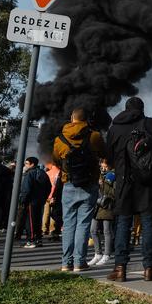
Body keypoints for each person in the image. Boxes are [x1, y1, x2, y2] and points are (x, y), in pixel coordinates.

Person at [105, 97, 152, 282]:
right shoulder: (151, 123)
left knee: (123, 224)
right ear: (142, 109)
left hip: (124, 182)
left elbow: (108, 156)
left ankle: (120, 268)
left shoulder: (115, 128)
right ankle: (149, 268)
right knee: (148, 224)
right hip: (148, 182)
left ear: (125, 109)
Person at [52, 108, 106, 272]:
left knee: (68, 224)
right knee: (83, 224)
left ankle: (65, 263)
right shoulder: (94, 135)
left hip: (68, 183)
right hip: (89, 184)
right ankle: (79, 262)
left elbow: (55, 159)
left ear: (72, 118)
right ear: (86, 119)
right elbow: (104, 153)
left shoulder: (59, 139)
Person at [19, 157, 51, 248]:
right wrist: (44, 198)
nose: (25, 165)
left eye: (26, 163)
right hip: (40, 201)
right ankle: (38, 239)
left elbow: (26, 189)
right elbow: (49, 187)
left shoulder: (29, 174)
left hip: (31, 200)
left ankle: (31, 240)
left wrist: (23, 200)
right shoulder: (43, 173)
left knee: (30, 222)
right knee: (38, 220)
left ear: (32, 164)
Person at [88, 163, 115, 266]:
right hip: (97, 205)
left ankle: (107, 254)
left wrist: (104, 184)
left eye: (105, 166)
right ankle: (97, 254)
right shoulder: (98, 174)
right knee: (93, 230)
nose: (103, 168)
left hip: (107, 205)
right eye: (101, 166)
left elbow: (114, 192)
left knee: (107, 231)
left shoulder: (112, 175)